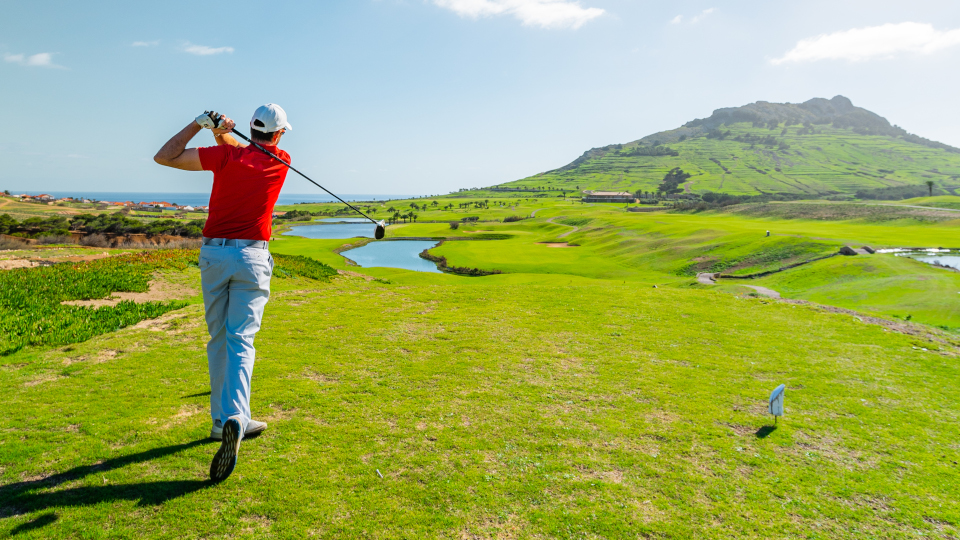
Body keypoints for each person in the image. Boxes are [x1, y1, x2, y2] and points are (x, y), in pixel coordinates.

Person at [154, 104, 293, 481]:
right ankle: (235, 416)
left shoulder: (227, 155)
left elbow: (164, 156)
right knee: (241, 340)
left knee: (218, 338)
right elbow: (244, 150)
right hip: (251, 257)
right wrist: (221, 132)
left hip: (214, 254)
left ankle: (221, 422)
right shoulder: (281, 160)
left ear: (252, 127)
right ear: (278, 135)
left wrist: (204, 126)